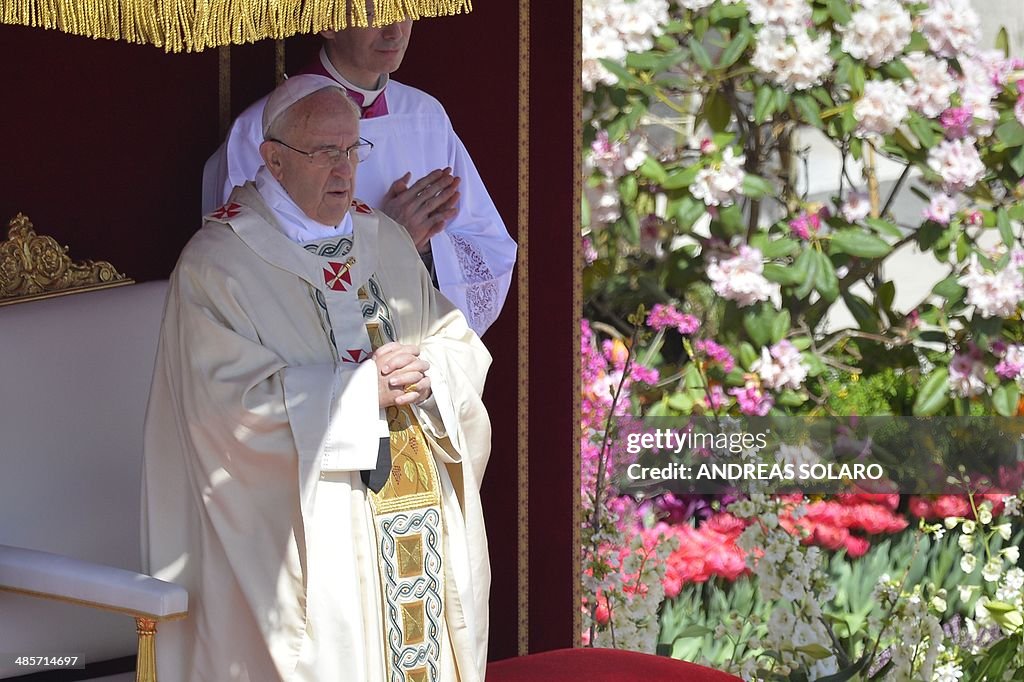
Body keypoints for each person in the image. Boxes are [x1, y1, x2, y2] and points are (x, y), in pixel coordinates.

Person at [145, 74, 492, 682]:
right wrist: (362, 395)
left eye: (353, 149)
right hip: (310, 532)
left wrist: (430, 371)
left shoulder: (381, 238)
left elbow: (453, 338)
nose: (345, 169)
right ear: (274, 160)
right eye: (324, 152)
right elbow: (224, 411)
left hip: (411, 514)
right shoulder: (218, 264)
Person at [204, 15, 517, 336]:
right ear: (328, 20)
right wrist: (387, 237)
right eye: (374, 13)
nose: (395, 31)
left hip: (415, 347)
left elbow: (491, 251)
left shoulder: (426, 117)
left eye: (405, 8)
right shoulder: (262, 129)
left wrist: (427, 252)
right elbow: (246, 270)